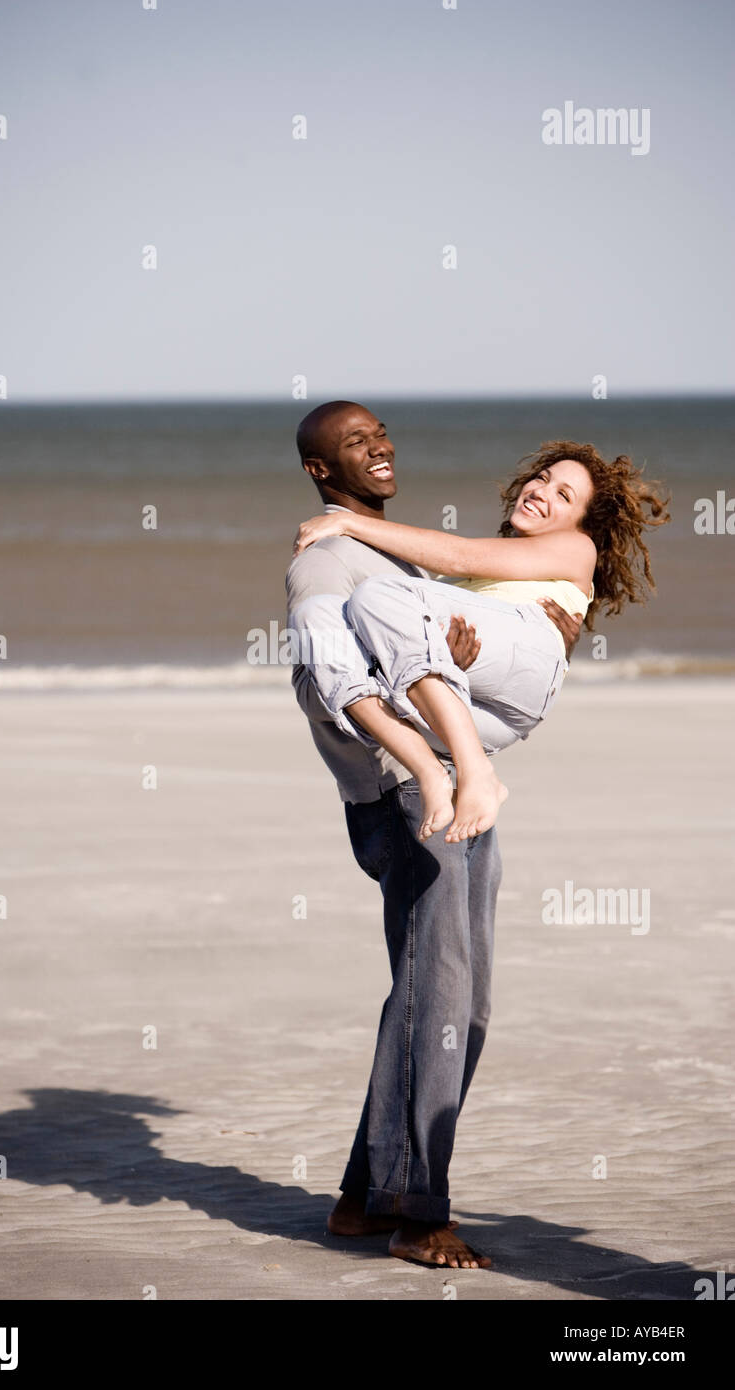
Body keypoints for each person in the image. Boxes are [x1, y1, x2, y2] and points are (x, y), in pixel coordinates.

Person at [285, 400, 583, 1269]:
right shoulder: (328, 556)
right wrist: (419, 765)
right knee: (440, 999)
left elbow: (430, 635)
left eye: (379, 434)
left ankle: (359, 1198)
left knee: (455, 999)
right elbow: (323, 670)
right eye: (352, 444)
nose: (377, 449)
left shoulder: (390, 547)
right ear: (320, 470)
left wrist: (452, 647)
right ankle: (419, 1212)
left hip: (456, 794)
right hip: (409, 800)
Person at [292, 440, 669, 844]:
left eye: (564, 495)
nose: (541, 491)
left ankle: (474, 773)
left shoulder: (578, 548)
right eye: (541, 478)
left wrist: (348, 523)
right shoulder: (475, 577)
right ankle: (430, 771)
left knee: (378, 596)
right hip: (468, 714)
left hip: (523, 671)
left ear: (583, 521)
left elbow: (457, 555)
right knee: (315, 617)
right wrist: (440, 655)